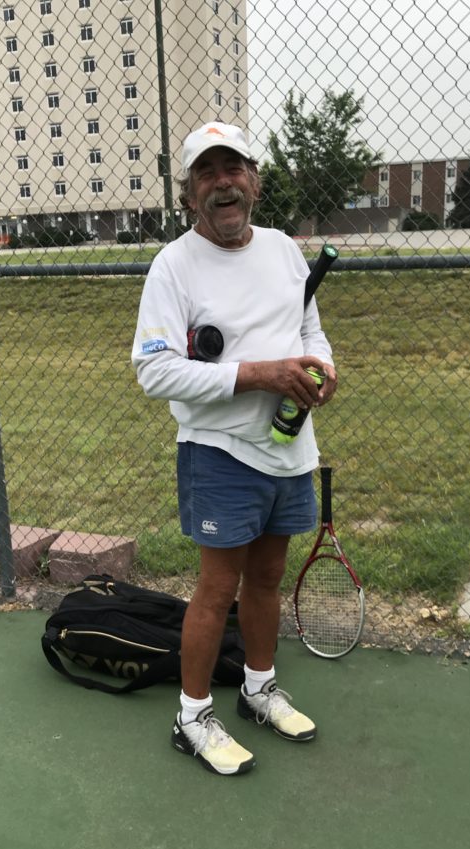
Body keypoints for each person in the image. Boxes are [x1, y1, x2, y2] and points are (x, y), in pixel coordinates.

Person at [131, 121, 337, 776]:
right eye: (207, 173)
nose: (223, 183)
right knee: (216, 588)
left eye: (234, 168)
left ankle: (258, 689)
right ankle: (192, 719)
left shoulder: (283, 251)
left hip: (288, 449)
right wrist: (257, 375)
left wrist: (321, 370)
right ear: (190, 194)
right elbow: (154, 370)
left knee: (268, 578)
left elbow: (310, 328)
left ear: (254, 179)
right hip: (219, 451)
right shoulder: (173, 266)